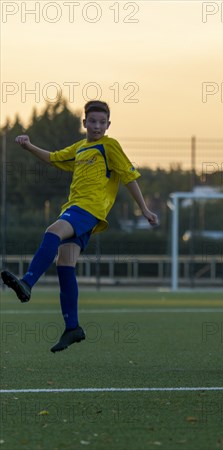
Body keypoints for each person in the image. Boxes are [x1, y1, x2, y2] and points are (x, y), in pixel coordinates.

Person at [1, 100, 158, 352]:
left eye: (102, 122)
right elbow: (53, 159)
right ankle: (72, 327)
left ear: (108, 125)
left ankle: (28, 282)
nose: (97, 126)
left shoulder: (110, 146)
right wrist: (29, 146)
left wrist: (144, 209)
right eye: (93, 121)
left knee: (52, 232)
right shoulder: (80, 148)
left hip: (89, 209)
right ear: (84, 123)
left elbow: (129, 177)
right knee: (65, 265)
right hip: (76, 209)